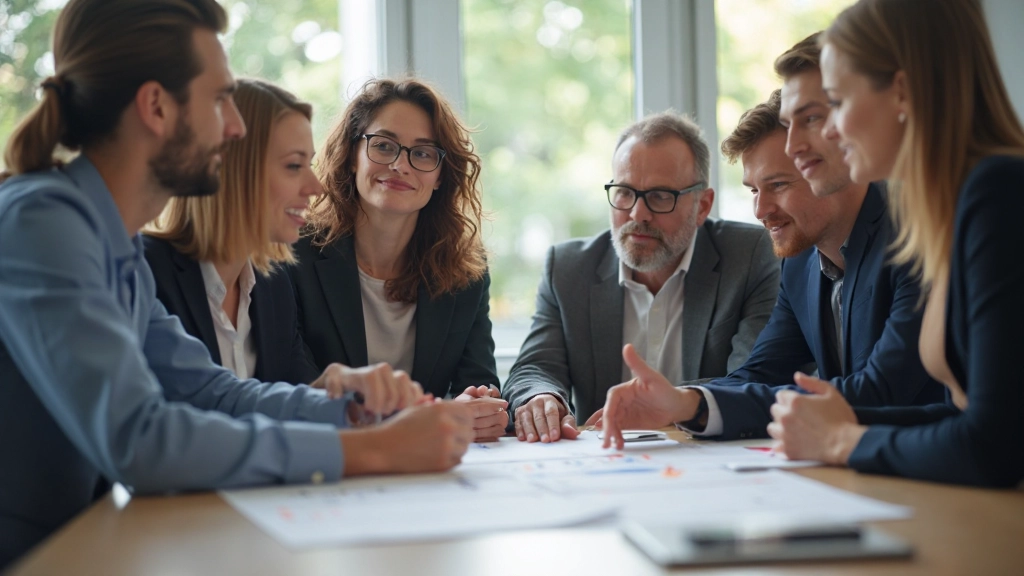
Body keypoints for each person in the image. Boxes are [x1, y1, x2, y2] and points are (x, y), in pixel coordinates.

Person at [0, 1, 471, 568]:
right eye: (221, 98)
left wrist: (348, 414)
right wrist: (372, 451)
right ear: (155, 107)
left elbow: (209, 392)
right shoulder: (43, 223)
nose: (235, 127)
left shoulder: (112, 241)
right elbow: (140, 440)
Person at [597, 43, 943, 446]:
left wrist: (689, 406)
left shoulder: (913, 235)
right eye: (753, 190)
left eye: (778, 185)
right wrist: (684, 402)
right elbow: (760, 373)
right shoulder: (800, 264)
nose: (761, 211)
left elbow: (880, 393)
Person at [767, 0, 1024, 488]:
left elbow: (996, 447)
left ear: (902, 91)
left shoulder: (999, 193)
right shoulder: (955, 208)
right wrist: (843, 424)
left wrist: (841, 441)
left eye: (838, 103)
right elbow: (967, 421)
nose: (832, 129)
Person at [502, 111, 781, 442]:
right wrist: (540, 398)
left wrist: (678, 405)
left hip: (710, 455)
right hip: (607, 457)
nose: (638, 214)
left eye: (660, 196)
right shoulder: (567, 268)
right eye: (624, 192)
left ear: (702, 206)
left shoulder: (750, 256)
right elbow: (535, 368)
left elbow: (757, 378)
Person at [290, 78, 507, 442]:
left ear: (441, 176)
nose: (400, 165)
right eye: (384, 146)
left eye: (423, 153)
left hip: (425, 475)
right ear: (351, 155)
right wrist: (429, 417)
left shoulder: (466, 270)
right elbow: (293, 389)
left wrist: (482, 409)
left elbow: (479, 382)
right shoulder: (294, 254)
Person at [144, 79, 323, 385]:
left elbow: (297, 397)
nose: (316, 187)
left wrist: (350, 396)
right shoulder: (146, 274)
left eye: (310, 164)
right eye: (294, 166)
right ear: (236, 170)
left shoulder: (274, 285)